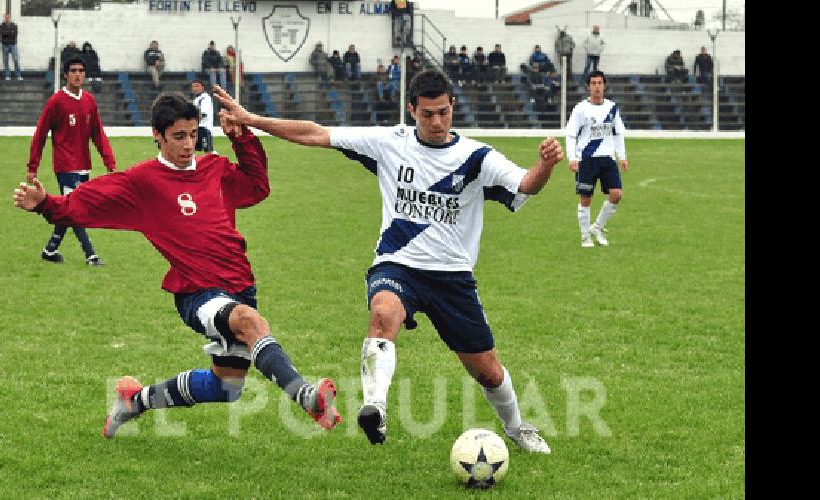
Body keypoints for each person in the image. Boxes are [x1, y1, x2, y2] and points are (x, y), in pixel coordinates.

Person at [211, 70, 560, 453]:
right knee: (383, 311)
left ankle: (516, 427)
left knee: (488, 372)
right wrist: (252, 120)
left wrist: (545, 165)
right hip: (397, 266)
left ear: (452, 106)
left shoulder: (476, 157)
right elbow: (315, 133)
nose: (437, 122)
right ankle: (375, 406)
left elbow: (525, 185)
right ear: (412, 110)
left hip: (452, 278)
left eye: (443, 112)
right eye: (427, 114)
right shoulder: (389, 142)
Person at [13, 91, 342, 439]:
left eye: (193, 135)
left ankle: (134, 400)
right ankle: (306, 396)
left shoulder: (214, 169)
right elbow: (86, 202)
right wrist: (45, 204)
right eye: (178, 137)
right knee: (249, 322)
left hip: (240, 285)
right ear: (157, 135)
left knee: (225, 387)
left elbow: (257, 186)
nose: (188, 145)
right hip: (196, 292)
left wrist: (241, 137)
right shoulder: (143, 182)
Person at [26, 57, 117, 266]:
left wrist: (109, 161)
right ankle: (91, 255)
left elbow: (98, 133)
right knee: (76, 209)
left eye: (81, 70)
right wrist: (33, 166)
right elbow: (40, 134)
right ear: (65, 75)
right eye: (73, 70)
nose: (78, 74)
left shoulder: (89, 101)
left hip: (84, 165)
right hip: (65, 165)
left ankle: (50, 249)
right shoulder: (56, 102)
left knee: (69, 209)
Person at [565, 71, 629, 248]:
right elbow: (570, 134)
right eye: (593, 83)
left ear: (605, 85)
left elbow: (618, 134)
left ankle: (598, 227)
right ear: (588, 87)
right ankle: (585, 236)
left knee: (616, 194)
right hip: (587, 159)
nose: (597, 87)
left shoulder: (612, 108)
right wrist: (572, 157)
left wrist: (622, 156)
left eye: (599, 83)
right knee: (586, 199)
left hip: (608, 159)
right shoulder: (580, 109)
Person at [190, 79, 216, 154]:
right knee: (191, 149)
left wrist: (193, 122)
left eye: (197, 86)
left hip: (204, 128)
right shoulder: (196, 99)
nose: (195, 88)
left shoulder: (205, 98)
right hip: (197, 128)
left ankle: (216, 162)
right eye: (193, 86)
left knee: (208, 151)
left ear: (202, 87)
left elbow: (203, 114)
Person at [0, 12, 23, 81]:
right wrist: (10, 32)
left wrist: (7, 32)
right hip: (4, 45)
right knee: (5, 61)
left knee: (16, 59)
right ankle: (7, 75)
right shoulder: (1, 26)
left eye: (8, 17)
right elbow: (2, 34)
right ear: (4, 18)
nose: (7, 19)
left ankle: (18, 75)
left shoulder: (14, 26)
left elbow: (14, 34)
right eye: (6, 17)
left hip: (13, 44)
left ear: (10, 18)